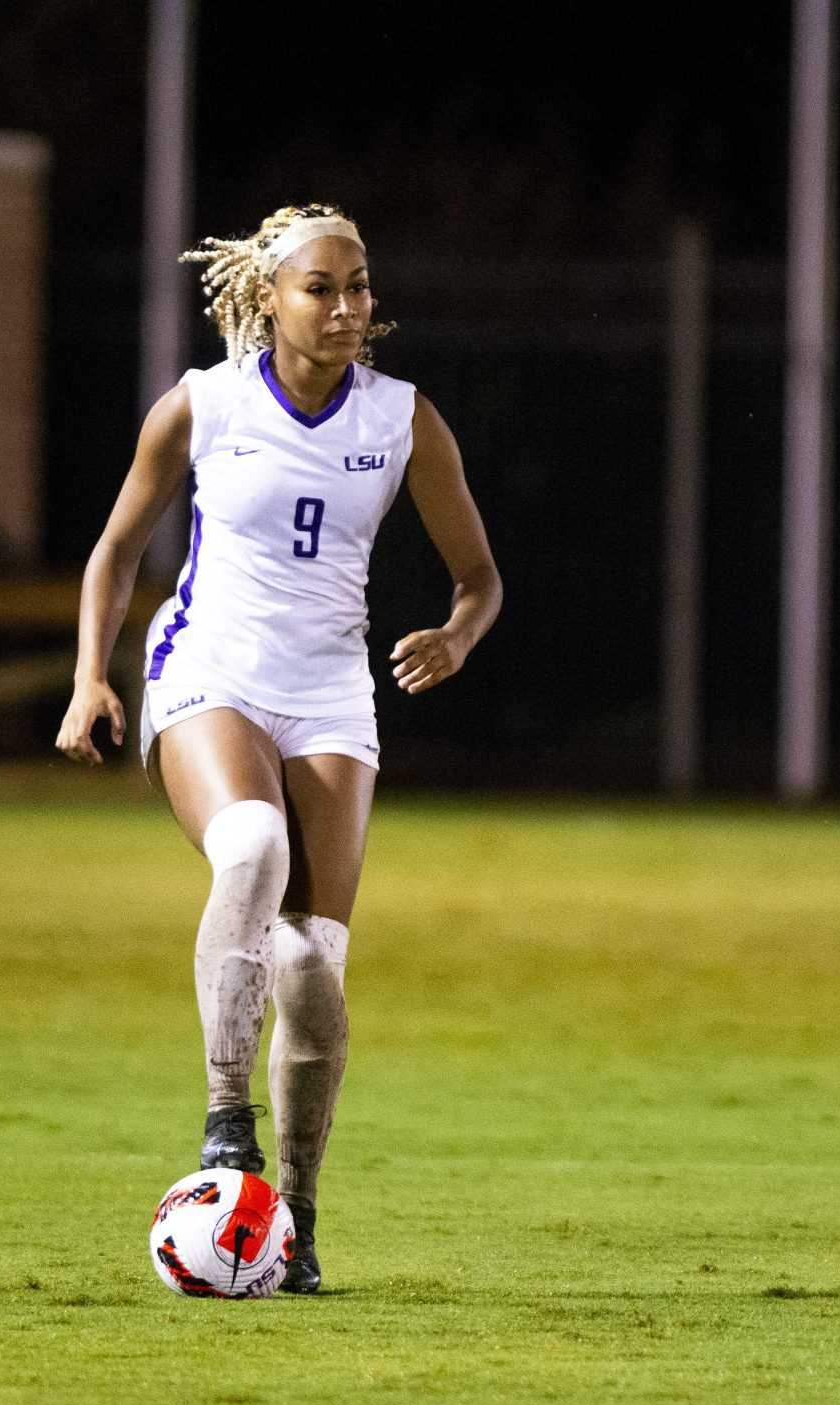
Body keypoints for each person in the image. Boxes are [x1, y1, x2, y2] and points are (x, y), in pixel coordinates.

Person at [55, 204, 504, 1295]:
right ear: (268, 299)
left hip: (330, 696)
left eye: (359, 287)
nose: (349, 308)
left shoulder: (403, 420)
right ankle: (225, 1127)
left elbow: (479, 578)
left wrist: (455, 633)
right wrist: (87, 680)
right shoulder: (203, 405)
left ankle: (293, 1220)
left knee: (308, 963)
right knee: (249, 846)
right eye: (322, 288)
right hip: (211, 669)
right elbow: (115, 549)